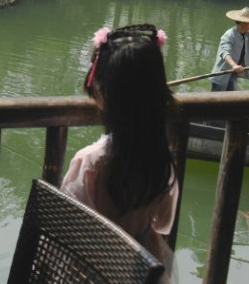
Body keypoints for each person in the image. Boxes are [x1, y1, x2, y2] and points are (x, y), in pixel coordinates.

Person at [62, 24, 177, 282]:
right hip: (141, 269)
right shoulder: (161, 158)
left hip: (92, 273)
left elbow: (68, 230)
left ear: (102, 94)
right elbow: (163, 221)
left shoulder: (90, 161)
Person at [209, 7, 249, 92]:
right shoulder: (229, 35)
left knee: (230, 99)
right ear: (243, 23)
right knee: (216, 101)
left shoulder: (246, 35)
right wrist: (234, 65)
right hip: (221, 75)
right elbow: (224, 53)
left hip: (233, 74)